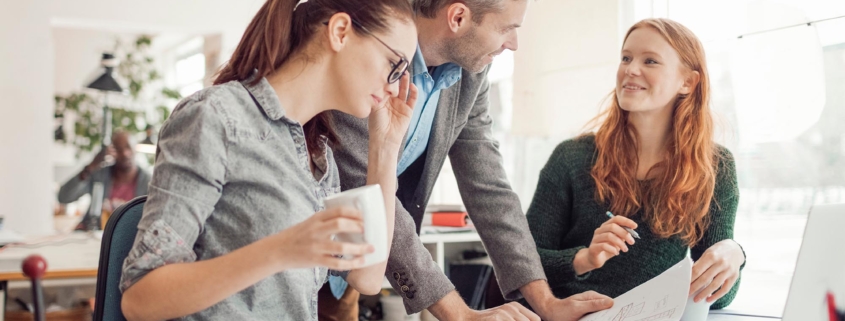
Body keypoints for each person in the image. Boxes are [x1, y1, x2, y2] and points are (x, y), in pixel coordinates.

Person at [118, 0, 419, 320]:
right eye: (394, 64)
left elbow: (367, 277)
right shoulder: (216, 117)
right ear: (341, 32)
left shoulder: (319, 155)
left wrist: (385, 148)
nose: (394, 86)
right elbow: (141, 299)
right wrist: (280, 250)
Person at [322, 0, 613, 320]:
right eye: (506, 29)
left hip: (351, 264)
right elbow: (367, 185)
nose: (513, 44)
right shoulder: (370, 53)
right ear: (458, 17)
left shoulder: (470, 70)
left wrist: (546, 302)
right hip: (299, 249)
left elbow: (488, 183)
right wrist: (458, 313)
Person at [526, 18, 745, 310]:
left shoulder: (715, 167)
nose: (630, 69)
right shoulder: (571, 157)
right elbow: (523, 264)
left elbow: (716, 298)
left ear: (688, 82)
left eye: (650, 61)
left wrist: (733, 253)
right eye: (626, 58)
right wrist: (585, 258)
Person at [58, 130, 151, 227]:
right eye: (118, 149)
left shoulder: (148, 181)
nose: (124, 153)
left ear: (135, 148)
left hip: (129, 238)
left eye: (128, 147)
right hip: (95, 237)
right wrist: (91, 166)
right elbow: (63, 197)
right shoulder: (100, 176)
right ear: (111, 151)